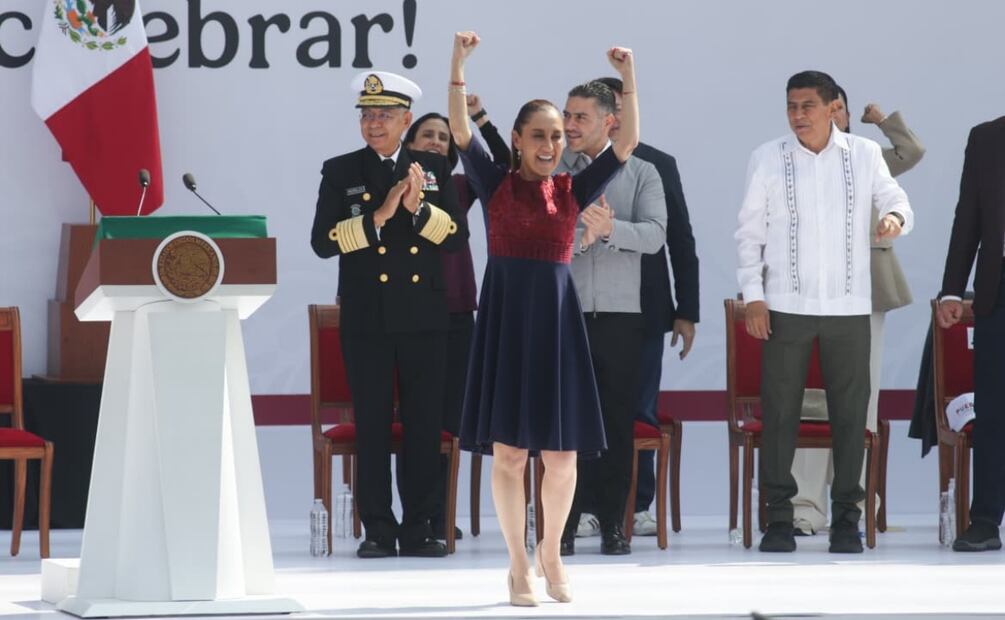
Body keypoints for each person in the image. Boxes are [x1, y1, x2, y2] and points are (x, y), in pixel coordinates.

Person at [448, 31, 639, 605]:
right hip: (507, 325)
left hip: (557, 328)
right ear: (517, 139)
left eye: (558, 135)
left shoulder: (574, 187)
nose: (550, 144)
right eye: (539, 135)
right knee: (508, 454)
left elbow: (627, 142)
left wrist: (628, 80)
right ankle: (516, 564)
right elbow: (460, 131)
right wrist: (458, 64)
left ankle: (550, 552)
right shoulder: (495, 181)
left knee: (561, 456)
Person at [735, 70, 912, 554]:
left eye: (808, 105)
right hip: (785, 307)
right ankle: (778, 519)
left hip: (849, 306)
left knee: (852, 416)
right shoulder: (768, 157)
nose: (798, 115)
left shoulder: (865, 154)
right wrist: (753, 295)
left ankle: (846, 520)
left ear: (833, 107)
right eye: (792, 106)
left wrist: (895, 218)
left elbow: (894, 198)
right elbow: (749, 234)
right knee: (779, 415)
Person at [310, 71, 469, 559]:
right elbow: (322, 243)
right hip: (368, 317)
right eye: (367, 114)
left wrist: (419, 210)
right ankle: (377, 526)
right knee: (374, 425)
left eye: (384, 115)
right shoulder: (340, 171)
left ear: (406, 120)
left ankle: (421, 524)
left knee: (423, 425)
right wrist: (376, 218)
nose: (373, 123)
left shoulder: (431, 167)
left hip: (424, 316)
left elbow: (457, 237)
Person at [790, 89, 925, 535]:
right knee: (811, 400)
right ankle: (806, 508)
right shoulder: (795, 159)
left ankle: (859, 505)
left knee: (860, 401)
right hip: (811, 296)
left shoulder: (870, 157)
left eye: (840, 110)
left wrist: (882, 119)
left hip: (866, 294)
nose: (834, 117)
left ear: (842, 113)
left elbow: (912, 151)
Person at [551, 80, 667, 556]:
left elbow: (656, 235)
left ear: (609, 122)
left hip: (621, 314)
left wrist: (609, 229)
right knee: (566, 425)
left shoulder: (641, 173)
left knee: (617, 423)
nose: (569, 126)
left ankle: (615, 524)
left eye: (580, 117)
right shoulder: (552, 171)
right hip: (565, 311)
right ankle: (566, 522)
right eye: (567, 116)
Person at [593, 75, 700, 537]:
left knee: (638, 409)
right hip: (585, 309)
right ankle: (589, 507)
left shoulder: (656, 162)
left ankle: (636, 505)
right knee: (590, 410)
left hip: (645, 310)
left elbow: (679, 238)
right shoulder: (570, 161)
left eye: (619, 107)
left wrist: (686, 309)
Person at [401, 102, 511, 541]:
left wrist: (480, 120)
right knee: (414, 418)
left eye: (444, 138)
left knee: (449, 420)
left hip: (457, 313)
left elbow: (506, 166)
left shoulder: (461, 187)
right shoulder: (391, 182)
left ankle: (439, 516)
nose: (435, 142)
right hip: (407, 314)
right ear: (408, 143)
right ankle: (415, 514)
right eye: (427, 134)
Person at [937, 115, 1005, 552]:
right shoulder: (986, 138)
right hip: (998, 292)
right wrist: (950, 289)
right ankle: (984, 520)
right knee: (995, 408)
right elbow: (969, 219)